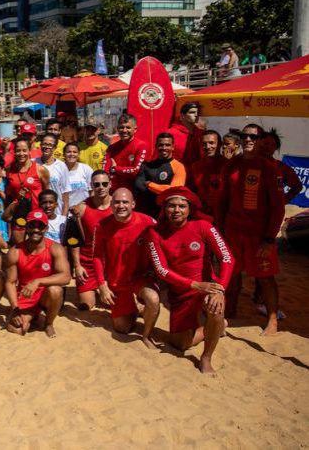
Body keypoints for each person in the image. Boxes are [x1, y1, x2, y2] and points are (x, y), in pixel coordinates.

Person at [146, 187, 233, 374]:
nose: (176, 210)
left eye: (182, 206)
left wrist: (221, 289)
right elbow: (161, 270)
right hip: (180, 292)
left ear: (189, 209)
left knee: (217, 308)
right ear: (164, 209)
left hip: (207, 288)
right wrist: (193, 284)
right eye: (171, 206)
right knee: (180, 344)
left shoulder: (203, 226)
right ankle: (215, 328)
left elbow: (227, 258)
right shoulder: (155, 232)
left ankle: (206, 357)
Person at [219, 124, 285, 335]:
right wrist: (220, 229)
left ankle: (273, 319)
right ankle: (230, 310)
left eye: (253, 137)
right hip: (233, 231)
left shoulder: (268, 168)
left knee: (265, 277)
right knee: (233, 274)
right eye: (244, 136)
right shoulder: (232, 165)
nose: (248, 140)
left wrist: (269, 238)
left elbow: (278, 207)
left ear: (260, 141)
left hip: (258, 235)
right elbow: (222, 201)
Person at [92, 189, 160, 348]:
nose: (120, 206)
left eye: (125, 202)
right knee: (122, 328)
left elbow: (164, 244)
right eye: (116, 202)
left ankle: (146, 335)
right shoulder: (102, 226)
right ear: (111, 205)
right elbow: (96, 257)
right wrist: (102, 285)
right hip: (118, 281)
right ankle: (136, 308)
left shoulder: (148, 222)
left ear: (133, 204)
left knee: (153, 299)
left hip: (141, 277)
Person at [0, 209, 70, 337]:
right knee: (18, 329)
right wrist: (14, 308)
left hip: (45, 295)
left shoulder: (55, 248)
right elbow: (10, 282)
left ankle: (48, 323)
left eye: (40, 226)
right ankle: (32, 316)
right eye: (32, 225)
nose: (36, 230)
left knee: (56, 290)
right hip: (26, 295)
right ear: (26, 227)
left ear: (46, 228)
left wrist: (38, 281)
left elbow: (66, 277)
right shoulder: (15, 251)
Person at [69, 170, 114, 310]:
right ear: (91, 186)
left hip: (111, 264)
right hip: (88, 263)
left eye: (104, 184)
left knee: (114, 302)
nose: (101, 187)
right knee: (86, 305)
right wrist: (77, 266)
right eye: (97, 184)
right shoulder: (82, 208)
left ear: (110, 185)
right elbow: (75, 240)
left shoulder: (118, 206)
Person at [4, 138, 50, 244]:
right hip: (19, 215)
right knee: (19, 245)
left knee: (37, 247)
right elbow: (8, 195)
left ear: (30, 151)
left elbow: (47, 194)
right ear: (14, 152)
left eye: (24, 150)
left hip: (37, 215)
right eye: (18, 150)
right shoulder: (9, 170)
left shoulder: (41, 170)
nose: (21, 153)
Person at [134, 133, 186, 217]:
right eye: (161, 145)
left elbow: (174, 191)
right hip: (147, 212)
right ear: (156, 146)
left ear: (173, 147)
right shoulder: (147, 166)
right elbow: (139, 186)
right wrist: (161, 188)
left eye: (167, 145)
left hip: (168, 214)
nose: (164, 148)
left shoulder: (179, 167)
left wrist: (149, 184)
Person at [188, 130, 227, 220]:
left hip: (222, 214)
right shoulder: (195, 166)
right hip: (202, 214)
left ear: (220, 144)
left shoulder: (228, 165)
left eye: (211, 143)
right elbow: (193, 191)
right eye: (204, 143)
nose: (208, 147)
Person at [103, 115, 148, 192]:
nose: (124, 130)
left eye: (128, 127)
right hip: (113, 192)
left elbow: (135, 171)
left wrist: (115, 168)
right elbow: (105, 171)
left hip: (133, 193)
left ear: (135, 129)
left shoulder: (141, 146)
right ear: (117, 129)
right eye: (121, 127)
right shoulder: (111, 148)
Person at [36, 134, 71, 216]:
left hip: (56, 213)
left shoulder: (61, 166)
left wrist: (63, 217)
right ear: (40, 145)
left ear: (55, 147)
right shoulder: (33, 163)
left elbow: (65, 195)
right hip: (37, 212)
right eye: (44, 144)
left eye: (50, 145)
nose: (46, 147)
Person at [166, 103, 204, 167]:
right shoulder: (170, 133)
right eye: (192, 112)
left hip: (197, 173)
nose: (196, 115)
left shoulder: (201, 133)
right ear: (183, 115)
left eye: (198, 112)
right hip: (177, 172)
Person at [63, 142, 93, 208]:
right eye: (69, 152)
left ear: (79, 154)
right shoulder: (59, 170)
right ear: (64, 154)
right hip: (65, 210)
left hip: (85, 209)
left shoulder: (86, 169)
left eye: (75, 152)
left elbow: (92, 191)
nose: (72, 154)